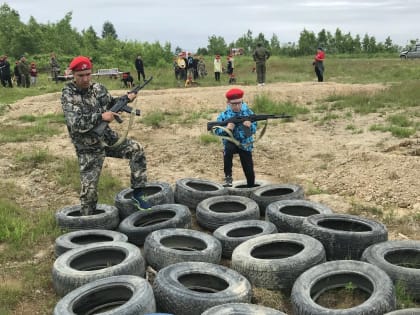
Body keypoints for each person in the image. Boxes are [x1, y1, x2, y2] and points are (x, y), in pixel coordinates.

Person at [61, 56, 151, 216]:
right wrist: (101, 117)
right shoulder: (68, 94)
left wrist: (125, 98)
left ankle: (138, 194)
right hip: (87, 147)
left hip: (108, 139)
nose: (85, 79)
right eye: (81, 75)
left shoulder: (98, 89)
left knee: (136, 149)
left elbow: (110, 103)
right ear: (73, 75)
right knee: (89, 193)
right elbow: (75, 122)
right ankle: (89, 224)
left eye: (88, 74)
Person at [213, 88, 257, 188]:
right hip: (230, 141)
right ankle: (228, 177)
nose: (237, 106)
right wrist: (227, 129)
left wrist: (249, 126)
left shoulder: (249, 113)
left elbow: (254, 130)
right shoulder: (224, 115)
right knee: (227, 151)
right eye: (234, 104)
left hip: (245, 143)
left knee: (248, 167)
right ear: (228, 102)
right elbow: (216, 130)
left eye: (239, 103)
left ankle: (251, 185)